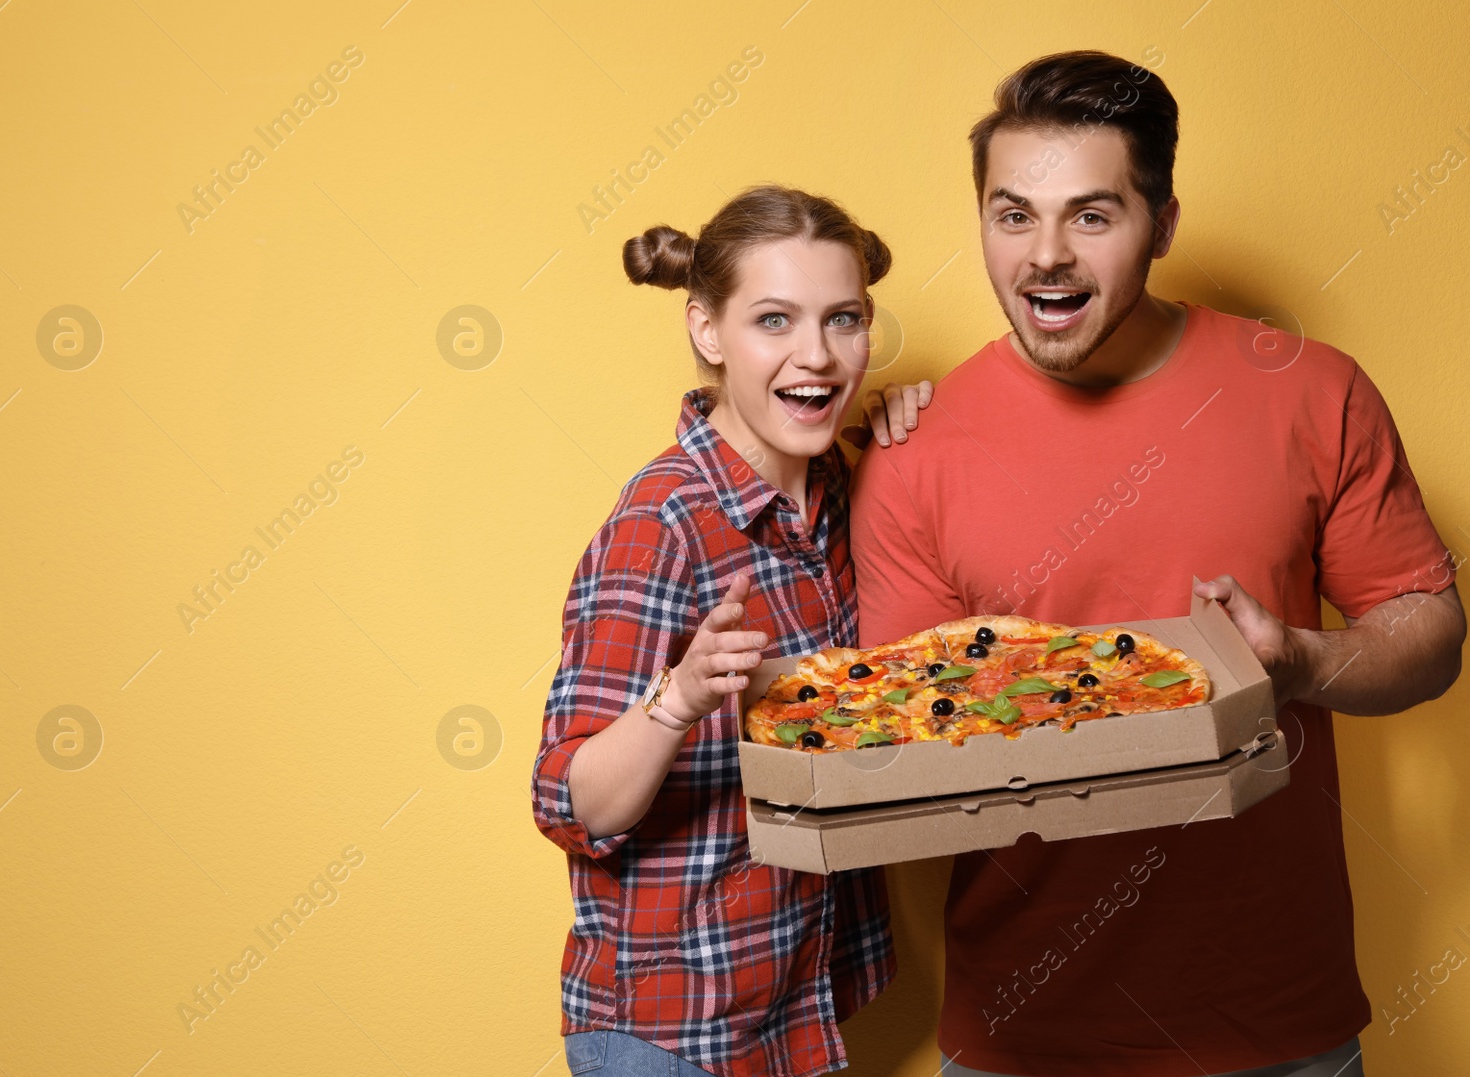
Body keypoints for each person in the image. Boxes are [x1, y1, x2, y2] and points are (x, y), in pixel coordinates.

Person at [852, 51, 1465, 1077]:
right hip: (1021, 1041)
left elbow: (1430, 631)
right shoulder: (916, 455)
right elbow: (909, 755)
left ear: (1163, 223)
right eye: (1013, 216)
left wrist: (1303, 665)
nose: (1045, 255)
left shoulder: (1310, 391)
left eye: (1092, 216)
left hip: (1278, 1030)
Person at [530, 185, 931, 1077]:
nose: (817, 356)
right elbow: (567, 800)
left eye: (844, 319)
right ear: (708, 332)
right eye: (775, 320)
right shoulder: (662, 525)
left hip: (794, 1016)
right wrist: (677, 700)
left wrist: (921, 443)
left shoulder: (844, 493)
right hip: (674, 1039)